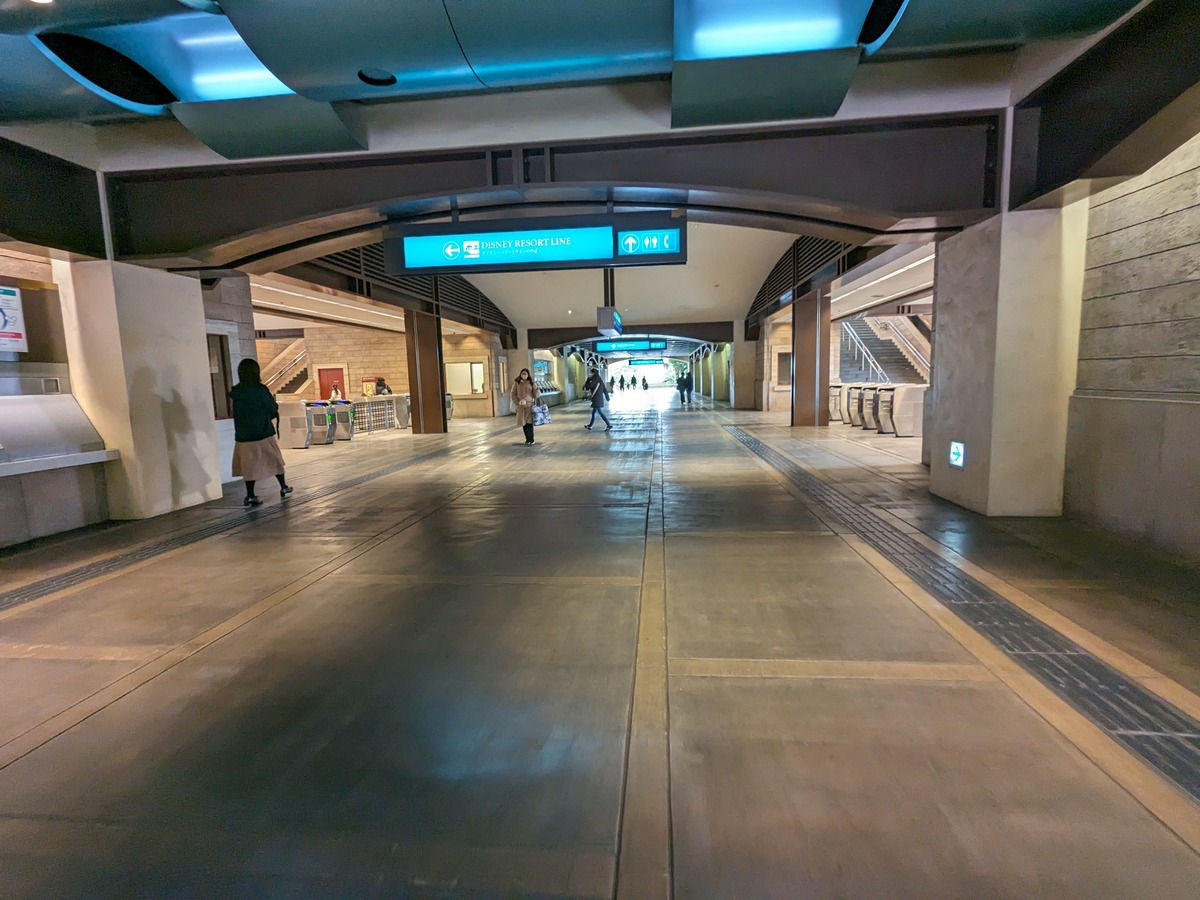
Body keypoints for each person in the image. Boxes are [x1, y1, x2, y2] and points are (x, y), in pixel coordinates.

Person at [230, 358, 292, 507]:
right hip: (262, 432)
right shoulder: (260, 390)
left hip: (244, 436)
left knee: (248, 466)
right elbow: (272, 407)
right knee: (275, 460)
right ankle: (283, 486)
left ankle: (250, 495)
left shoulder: (236, 392)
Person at [510, 367, 540, 445]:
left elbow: (536, 395)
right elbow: (513, 394)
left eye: (525, 374)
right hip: (521, 407)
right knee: (524, 423)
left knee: (529, 423)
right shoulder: (517, 382)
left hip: (529, 406)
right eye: (522, 374)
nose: (524, 375)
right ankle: (527, 439)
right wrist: (518, 402)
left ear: (528, 375)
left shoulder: (531, 382)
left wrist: (536, 389)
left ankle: (531, 439)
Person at [582, 367, 612, 431]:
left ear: (594, 373)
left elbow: (588, 386)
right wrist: (607, 397)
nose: (590, 374)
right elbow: (604, 389)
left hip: (597, 399)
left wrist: (588, 379)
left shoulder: (595, 380)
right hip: (598, 398)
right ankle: (590, 426)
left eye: (591, 373)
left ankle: (608, 424)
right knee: (594, 413)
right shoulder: (599, 379)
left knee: (600, 412)